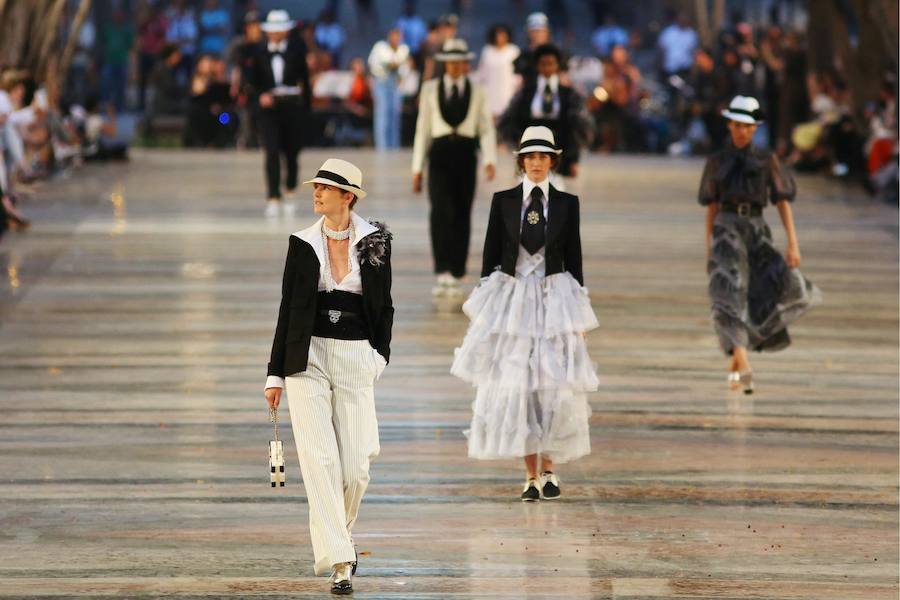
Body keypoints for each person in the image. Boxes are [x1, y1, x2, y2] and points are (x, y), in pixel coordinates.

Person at [264, 158, 392, 596]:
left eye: (326, 187)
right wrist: (275, 374)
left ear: (347, 196)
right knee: (320, 462)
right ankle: (340, 560)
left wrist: (380, 357)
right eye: (315, 186)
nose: (316, 193)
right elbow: (287, 308)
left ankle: (343, 537)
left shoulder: (374, 241)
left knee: (355, 467)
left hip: (357, 355)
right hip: (308, 356)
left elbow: (385, 307)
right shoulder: (301, 243)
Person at [451, 126, 598, 501]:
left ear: (552, 160)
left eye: (542, 156)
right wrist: (486, 311)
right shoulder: (503, 201)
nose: (536, 163)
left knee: (552, 386)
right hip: (512, 300)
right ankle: (530, 475)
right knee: (518, 387)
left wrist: (580, 315)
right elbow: (490, 256)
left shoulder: (568, 204)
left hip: (555, 299)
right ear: (521, 162)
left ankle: (550, 470)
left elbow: (575, 260)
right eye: (529, 157)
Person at [699, 96, 821, 393]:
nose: (742, 131)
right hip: (726, 230)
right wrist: (708, 245)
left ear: (755, 128)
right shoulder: (716, 161)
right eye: (737, 125)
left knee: (785, 291)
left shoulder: (767, 161)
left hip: (756, 230)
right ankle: (744, 362)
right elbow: (712, 206)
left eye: (747, 126)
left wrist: (793, 243)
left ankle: (737, 353)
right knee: (728, 294)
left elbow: (782, 203)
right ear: (729, 125)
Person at [412, 38, 497, 299]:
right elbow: (422, 130)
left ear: (466, 64)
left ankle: (458, 270)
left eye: (460, 62)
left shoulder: (478, 90)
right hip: (438, 155)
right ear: (444, 64)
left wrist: (489, 159)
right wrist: (417, 168)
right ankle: (442, 270)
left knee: (462, 211)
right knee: (440, 211)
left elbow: (486, 127)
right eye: (451, 62)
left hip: (465, 154)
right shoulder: (429, 90)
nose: (456, 67)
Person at [245, 10, 311, 217]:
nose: (275, 34)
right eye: (272, 31)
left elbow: (305, 81)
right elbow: (251, 83)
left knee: (291, 152)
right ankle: (272, 195)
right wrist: (259, 98)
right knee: (271, 151)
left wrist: (306, 109)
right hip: (268, 111)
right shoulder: (258, 53)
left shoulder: (297, 50)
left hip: (291, 109)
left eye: (279, 30)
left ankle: (290, 188)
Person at [499, 43, 592, 183]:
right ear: (537, 66)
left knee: (556, 195)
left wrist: (574, 159)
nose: (547, 68)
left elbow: (576, 127)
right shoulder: (526, 93)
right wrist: (517, 141)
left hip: (558, 154)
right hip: (530, 151)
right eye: (543, 64)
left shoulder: (568, 94)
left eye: (551, 63)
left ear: (558, 66)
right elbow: (508, 119)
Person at [367, 28, 409, 150]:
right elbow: (390, 63)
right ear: (389, 36)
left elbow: (403, 68)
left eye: (398, 37)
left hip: (395, 84)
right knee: (382, 116)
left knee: (395, 117)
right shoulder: (380, 47)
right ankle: (382, 147)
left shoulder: (403, 48)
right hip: (381, 83)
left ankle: (394, 147)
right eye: (394, 36)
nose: (396, 39)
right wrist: (398, 62)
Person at [475, 24, 520, 121]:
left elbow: (517, 75)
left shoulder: (513, 51)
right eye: (498, 35)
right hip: (491, 92)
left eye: (503, 35)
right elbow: (481, 73)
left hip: (507, 91)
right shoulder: (487, 51)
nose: (500, 38)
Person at [514, 11, 552, 85]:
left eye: (541, 31)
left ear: (547, 32)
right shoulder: (522, 57)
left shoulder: (557, 55)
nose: (538, 35)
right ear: (528, 33)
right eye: (534, 31)